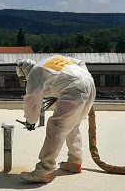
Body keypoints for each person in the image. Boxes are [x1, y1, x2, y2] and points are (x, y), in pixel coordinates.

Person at [15, 55, 96, 183]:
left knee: (56, 127)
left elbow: (32, 101)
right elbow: (80, 63)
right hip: (89, 81)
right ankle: (75, 162)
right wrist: (83, 84)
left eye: (23, 78)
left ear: (25, 73)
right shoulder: (52, 59)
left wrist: (30, 121)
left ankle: (44, 170)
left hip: (74, 89)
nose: (25, 81)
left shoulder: (35, 73)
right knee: (72, 125)